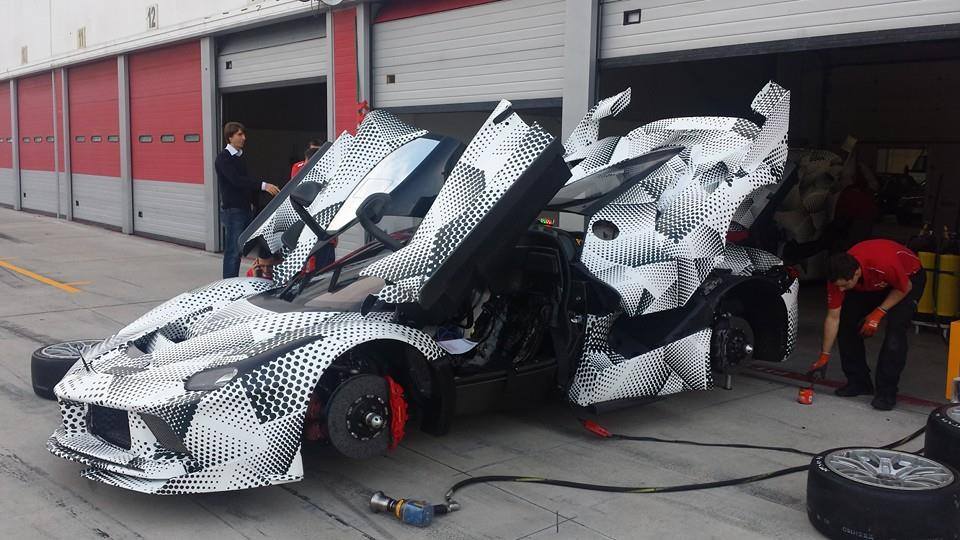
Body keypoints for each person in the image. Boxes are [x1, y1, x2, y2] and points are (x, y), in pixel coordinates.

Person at [816, 239, 924, 410]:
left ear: (856, 273)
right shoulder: (837, 278)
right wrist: (824, 355)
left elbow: (905, 287)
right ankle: (858, 382)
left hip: (907, 279)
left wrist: (878, 313)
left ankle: (886, 392)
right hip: (873, 282)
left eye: (845, 285)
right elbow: (833, 318)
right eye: (839, 286)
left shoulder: (884, 264)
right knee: (847, 322)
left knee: (895, 332)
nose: (841, 290)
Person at [216, 121, 280, 278]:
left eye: (244, 134)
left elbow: (247, 184)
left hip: (245, 209)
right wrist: (263, 186)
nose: (244, 138)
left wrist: (254, 205)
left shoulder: (240, 157)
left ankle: (263, 269)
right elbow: (237, 181)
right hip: (233, 211)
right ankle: (229, 284)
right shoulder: (223, 158)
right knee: (233, 250)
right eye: (239, 134)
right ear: (230, 137)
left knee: (255, 240)